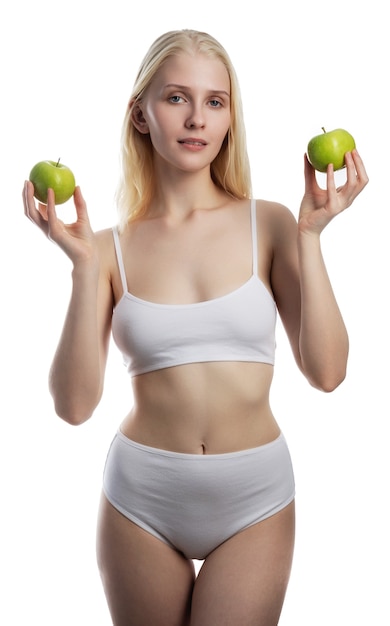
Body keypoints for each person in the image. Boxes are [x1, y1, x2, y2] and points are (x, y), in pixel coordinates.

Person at [23, 28, 368, 626]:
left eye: (214, 101)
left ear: (230, 118)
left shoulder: (274, 223)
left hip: (254, 498)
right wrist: (82, 268)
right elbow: (74, 407)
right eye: (176, 98)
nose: (195, 119)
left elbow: (329, 373)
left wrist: (311, 236)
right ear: (140, 114)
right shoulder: (106, 249)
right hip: (141, 500)